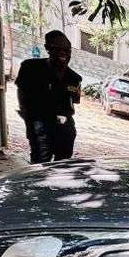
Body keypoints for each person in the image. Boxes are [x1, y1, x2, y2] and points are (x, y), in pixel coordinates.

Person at [15, 30, 82, 163]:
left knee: (62, 167)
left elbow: (73, 102)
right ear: (48, 48)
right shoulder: (31, 68)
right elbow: (22, 96)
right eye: (58, 49)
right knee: (40, 166)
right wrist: (31, 122)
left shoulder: (74, 78)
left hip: (65, 129)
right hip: (41, 125)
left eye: (67, 50)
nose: (63, 53)